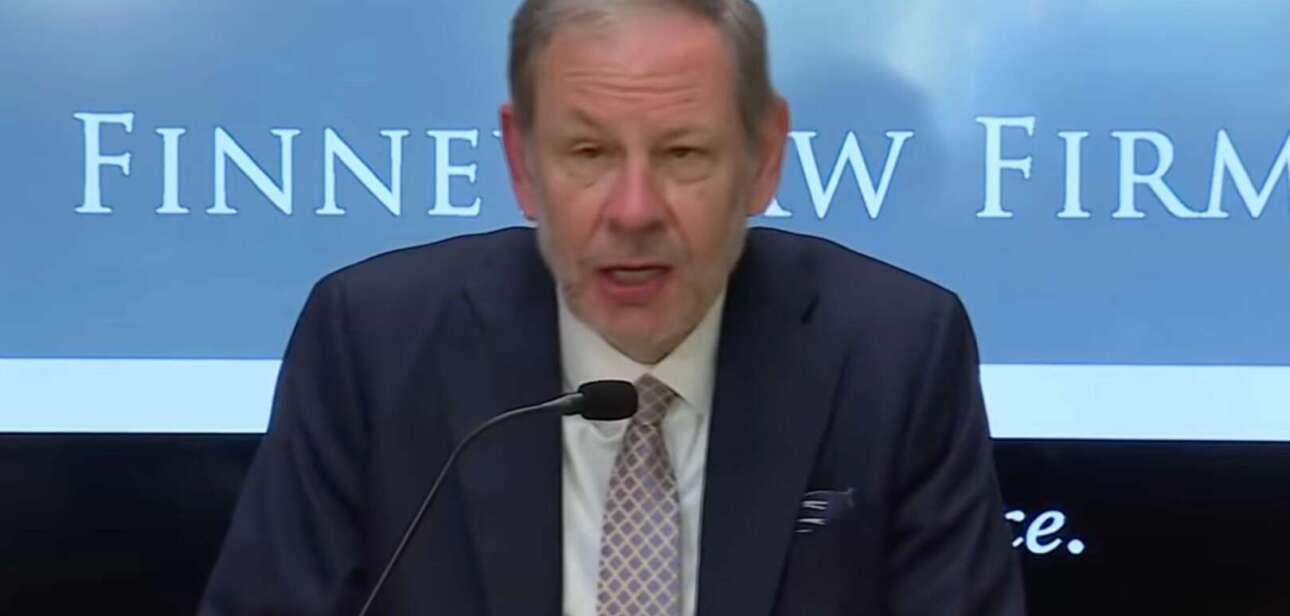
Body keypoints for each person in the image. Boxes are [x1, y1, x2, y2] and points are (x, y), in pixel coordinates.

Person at [200, 1, 1026, 614]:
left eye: (683, 153)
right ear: (523, 163)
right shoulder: (372, 344)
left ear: (764, 159)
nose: (633, 210)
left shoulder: (895, 352)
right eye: (588, 152)